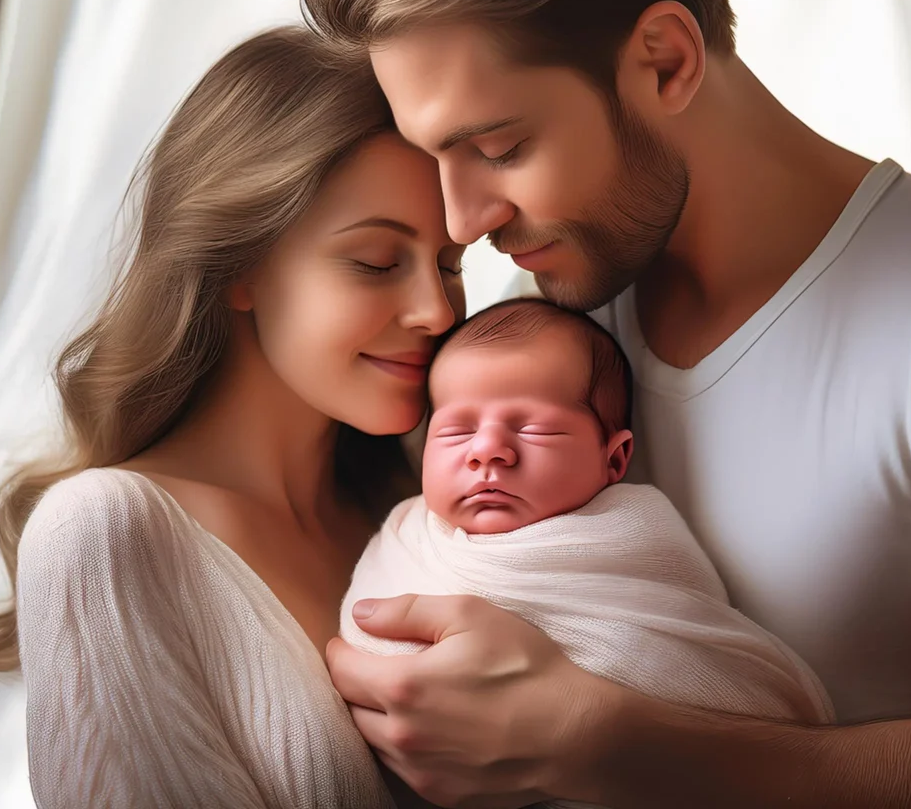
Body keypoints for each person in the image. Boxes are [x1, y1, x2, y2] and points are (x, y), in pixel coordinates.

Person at [302, 0, 911, 808]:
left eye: (498, 147)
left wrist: (617, 744)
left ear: (664, 60)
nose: (460, 222)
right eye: (436, 157)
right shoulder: (534, 323)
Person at [0, 26, 466, 808]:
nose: (437, 310)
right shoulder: (102, 535)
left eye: (450, 263)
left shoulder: (420, 519)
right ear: (237, 265)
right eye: (376, 261)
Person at [341, 298, 834, 755]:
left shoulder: (631, 534)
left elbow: (683, 659)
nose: (486, 450)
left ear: (614, 459)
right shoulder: (409, 533)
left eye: (534, 428)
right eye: (457, 430)